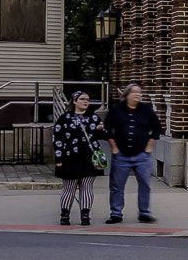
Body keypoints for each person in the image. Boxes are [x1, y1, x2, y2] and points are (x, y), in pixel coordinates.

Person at [103, 83, 164, 224]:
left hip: (142, 155)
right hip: (121, 155)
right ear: (127, 94)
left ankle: (144, 212)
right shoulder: (116, 109)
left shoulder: (146, 110)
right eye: (134, 92)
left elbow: (156, 128)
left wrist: (150, 145)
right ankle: (116, 213)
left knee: (144, 184)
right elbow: (107, 129)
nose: (138, 95)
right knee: (117, 185)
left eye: (139, 92)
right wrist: (113, 146)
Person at [52, 91, 104, 226]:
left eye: (87, 99)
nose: (86, 102)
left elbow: (104, 134)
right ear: (74, 101)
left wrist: (100, 129)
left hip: (89, 157)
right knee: (69, 187)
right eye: (82, 99)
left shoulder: (93, 117)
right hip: (70, 157)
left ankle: (85, 214)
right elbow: (57, 139)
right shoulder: (65, 118)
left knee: (87, 186)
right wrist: (58, 159)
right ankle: (65, 214)